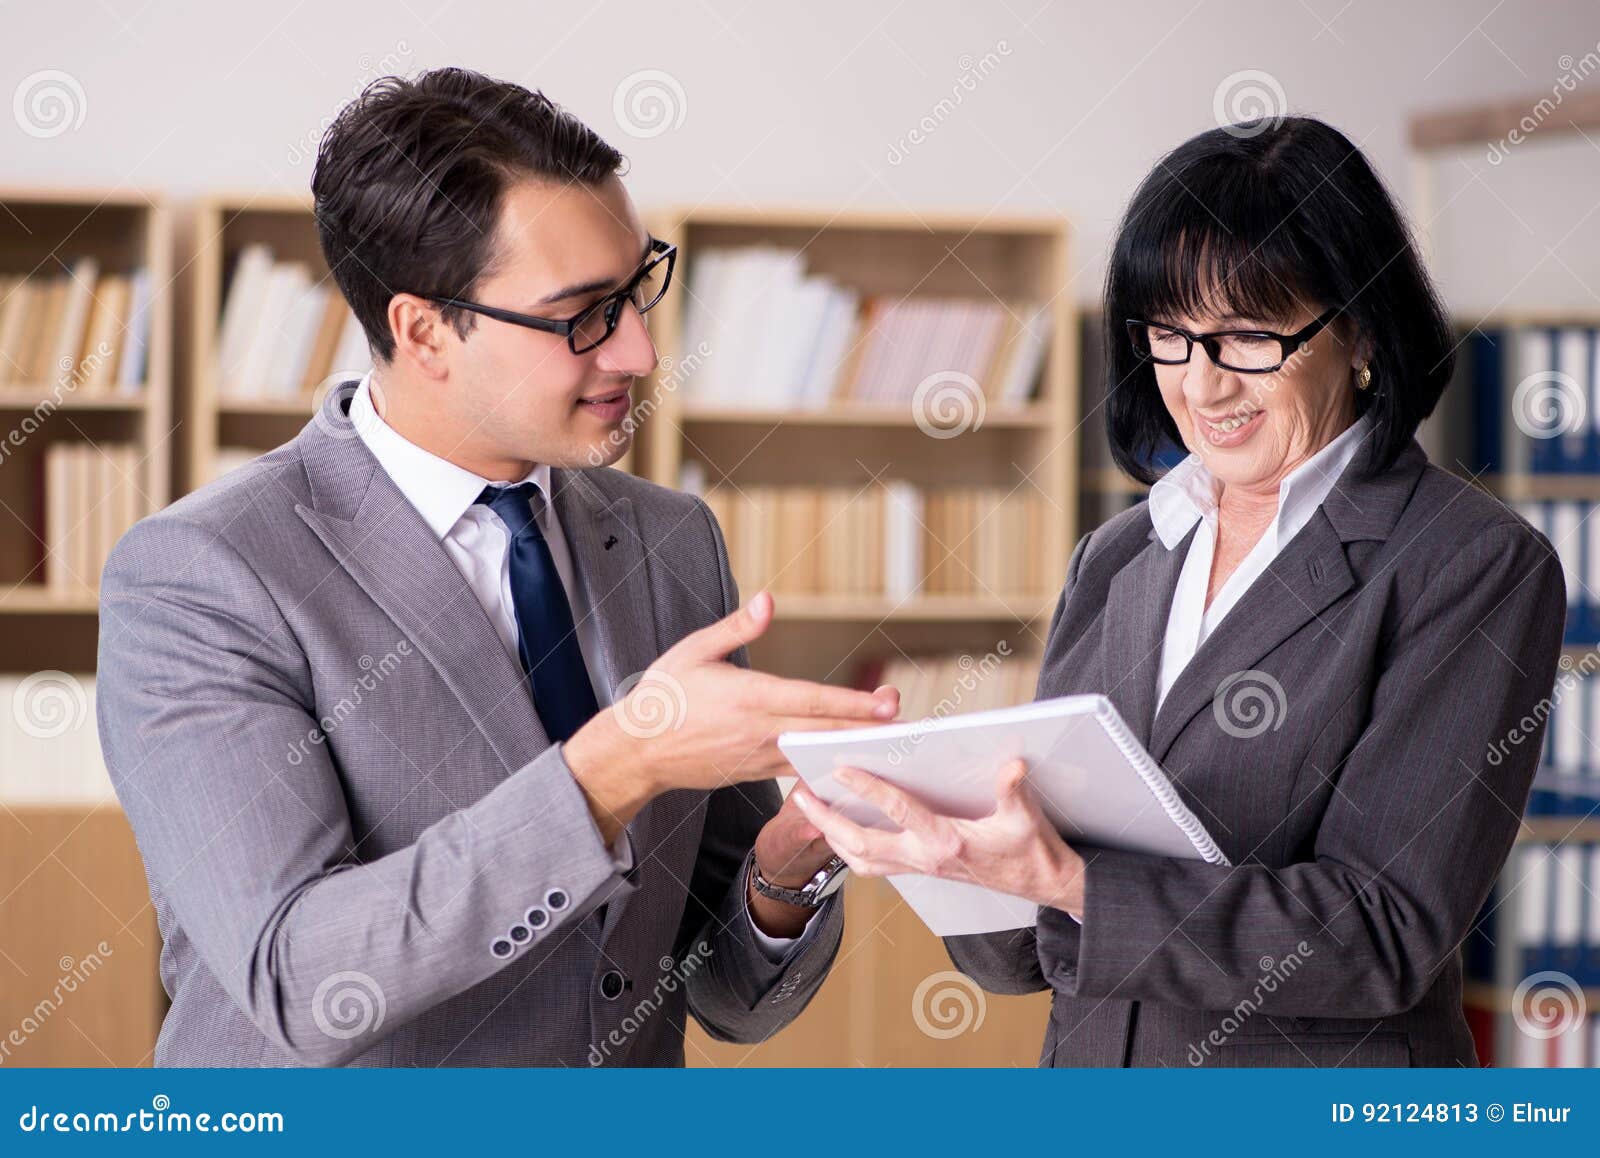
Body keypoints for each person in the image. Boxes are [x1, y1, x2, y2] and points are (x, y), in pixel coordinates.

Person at [96, 68, 892, 1067]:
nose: (640, 351)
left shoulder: (672, 539)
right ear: (423, 330)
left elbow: (717, 993)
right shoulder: (203, 576)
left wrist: (782, 878)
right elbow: (301, 983)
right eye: (583, 314)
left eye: (638, 286)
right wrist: (624, 762)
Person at [792, 116, 1566, 1067]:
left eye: (1246, 336)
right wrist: (952, 853)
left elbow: (1383, 932)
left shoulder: (1471, 564)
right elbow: (1021, 957)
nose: (1200, 385)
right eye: (1169, 335)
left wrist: (1076, 883)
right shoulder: (1121, 555)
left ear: (1359, 327)